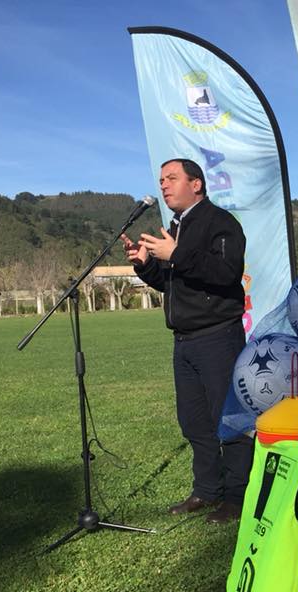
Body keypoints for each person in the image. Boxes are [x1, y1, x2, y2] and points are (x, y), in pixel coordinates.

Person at [123, 158, 252, 524]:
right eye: (161, 179)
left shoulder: (221, 223)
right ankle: (207, 491)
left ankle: (237, 497)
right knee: (195, 422)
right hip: (184, 342)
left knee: (229, 420)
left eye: (172, 178)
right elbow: (173, 284)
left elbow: (227, 274)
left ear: (196, 184)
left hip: (218, 338)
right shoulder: (176, 228)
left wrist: (176, 254)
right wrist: (146, 265)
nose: (163, 185)